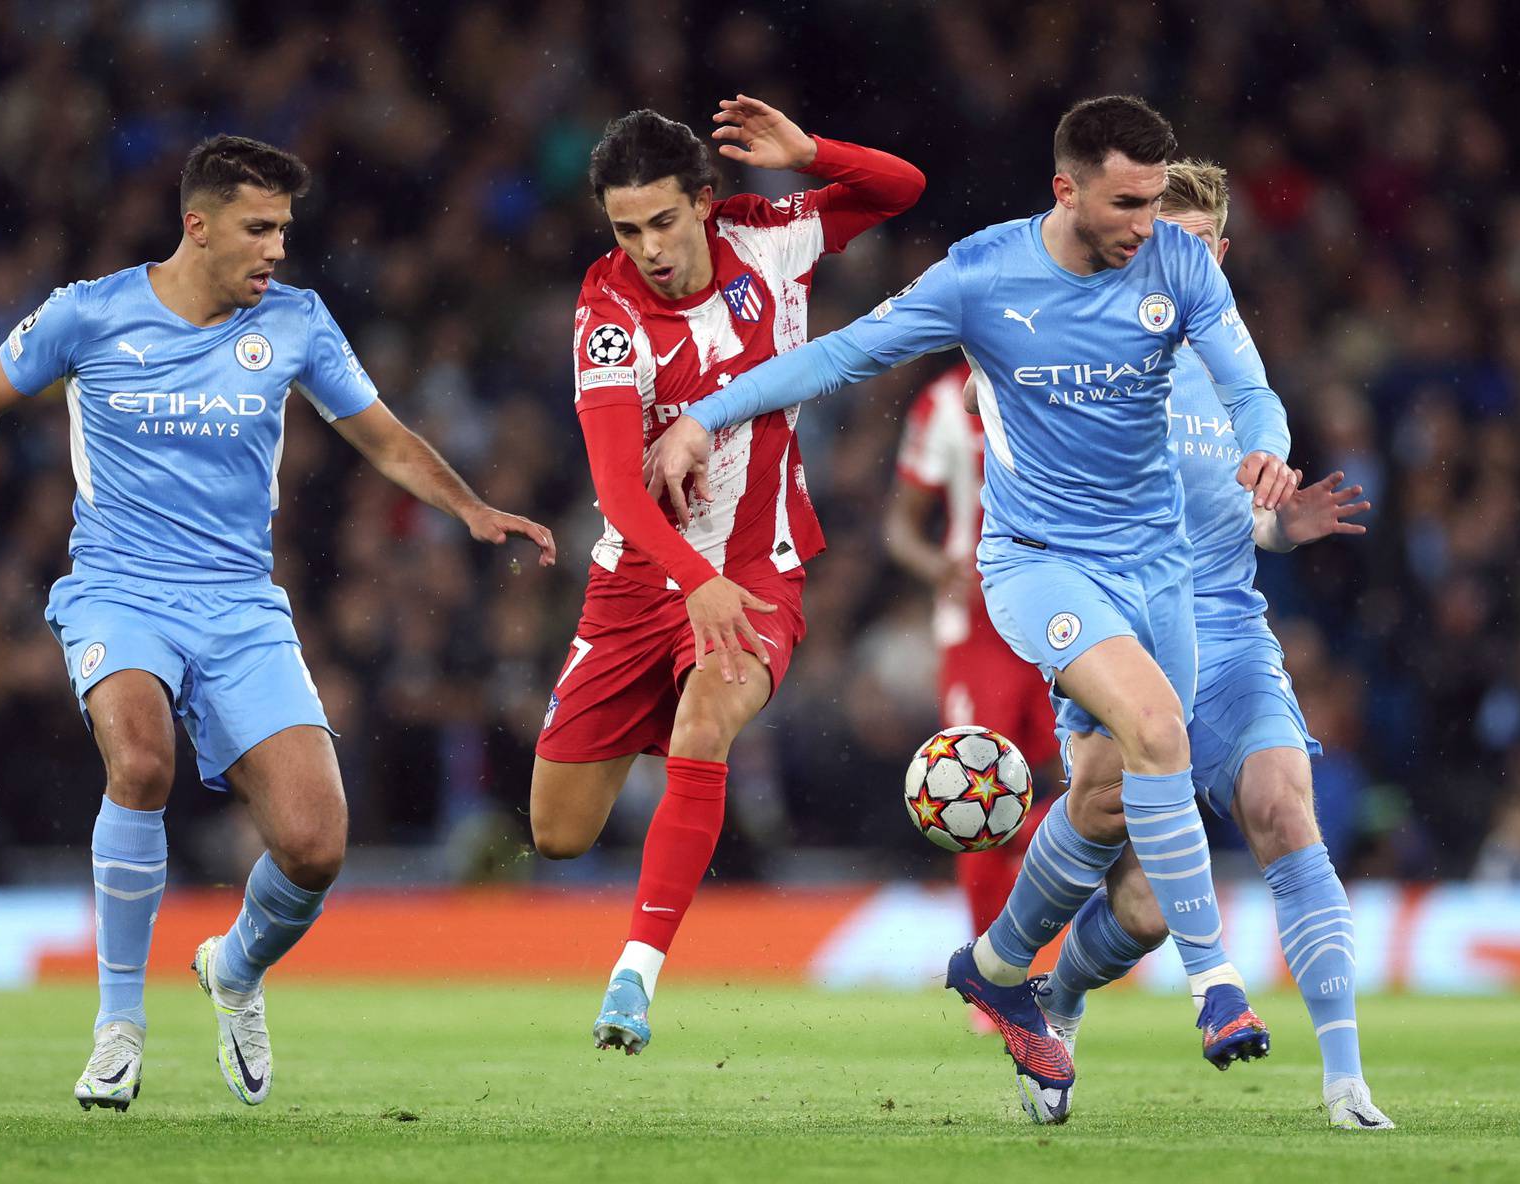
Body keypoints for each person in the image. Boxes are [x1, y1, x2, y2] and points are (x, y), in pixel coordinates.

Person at [0, 135, 555, 1111]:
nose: (277, 247)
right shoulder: (88, 311)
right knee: (140, 761)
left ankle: (233, 966)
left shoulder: (298, 323)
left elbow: (384, 437)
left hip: (240, 606)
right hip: (119, 589)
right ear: (198, 225)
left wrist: (473, 508)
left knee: (317, 844)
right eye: (258, 227)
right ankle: (118, 1026)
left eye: (284, 227)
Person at [645, 95, 1295, 1121]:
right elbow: (840, 354)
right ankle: (1216, 986)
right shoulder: (984, 274)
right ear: (1066, 190)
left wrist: (1268, 442)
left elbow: (1252, 387)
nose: (1147, 224)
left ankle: (995, 964)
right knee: (1160, 727)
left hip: (1155, 565)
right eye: (1127, 203)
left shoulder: (1178, 263)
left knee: (1103, 796)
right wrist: (703, 416)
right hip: (1038, 562)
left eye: (1158, 201)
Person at [531, 96, 923, 1054]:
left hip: (755, 569)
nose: (650, 247)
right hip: (636, 586)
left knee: (707, 724)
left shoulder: (772, 237)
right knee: (557, 833)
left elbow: (899, 188)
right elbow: (619, 492)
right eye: (628, 229)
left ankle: (633, 980)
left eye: (664, 220)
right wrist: (686, 579)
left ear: (706, 201)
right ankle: (677, 753)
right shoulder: (608, 311)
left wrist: (811, 149)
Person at [1031, 159, 1392, 1131]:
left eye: (1189, 246)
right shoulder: (1083, 348)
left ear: (1219, 255)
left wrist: (1284, 526)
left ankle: (1346, 1079)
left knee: (1284, 805)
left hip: (1227, 632)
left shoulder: (1237, 371)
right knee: (1142, 908)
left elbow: (1242, 516)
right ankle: (1057, 993)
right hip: (1124, 640)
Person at [886, 359, 1061, 1021]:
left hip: (1057, 614)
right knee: (973, 791)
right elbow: (900, 526)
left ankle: (1030, 847)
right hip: (979, 630)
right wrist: (938, 567)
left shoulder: (1064, 373)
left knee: (1095, 782)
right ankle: (996, 981)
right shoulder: (940, 402)